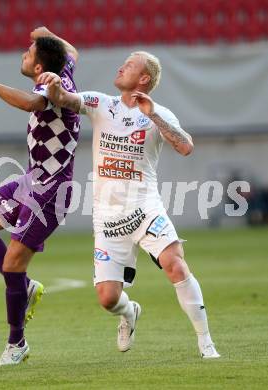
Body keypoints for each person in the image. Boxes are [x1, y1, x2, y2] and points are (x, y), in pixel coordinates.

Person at [38, 51, 220, 359]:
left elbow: (186, 146)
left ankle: (206, 343)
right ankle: (130, 312)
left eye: (130, 65)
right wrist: (54, 84)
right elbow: (65, 99)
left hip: (146, 208)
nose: (121, 66)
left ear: (144, 78)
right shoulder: (101, 103)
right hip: (108, 217)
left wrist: (154, 116)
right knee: (108, 298)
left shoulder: (157, 113)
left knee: (175, 264)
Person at [0, 27, 80, 366]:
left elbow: (31, 102)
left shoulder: (53, 84)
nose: (25, 53)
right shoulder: (62, 65)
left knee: (12, 262)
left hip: (51, 190)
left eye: (30, 51)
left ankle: (17, 344)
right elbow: (72, 52)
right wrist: (46, 34)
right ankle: (24, 288)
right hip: (31, 181)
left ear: (40, 67)